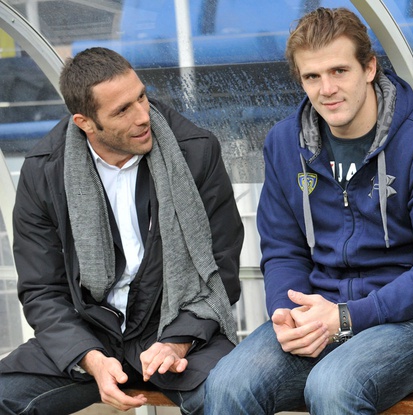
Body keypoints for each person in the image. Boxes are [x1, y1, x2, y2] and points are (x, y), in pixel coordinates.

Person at [204, 7, 413, 414]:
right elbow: (282, 248)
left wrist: (346, 318)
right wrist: (286, 314)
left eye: (339, 71)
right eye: (312, 76)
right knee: (227, 384)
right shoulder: (284, 143)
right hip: (317, 308)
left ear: (369, 68)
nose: (327, 88)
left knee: (333, 386)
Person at [0, 47, 244, 415]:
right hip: (91, 334)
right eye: (122, 110)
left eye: (141, 97)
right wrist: (89, 358)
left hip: (180, 325)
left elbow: (222, 268)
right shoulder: (44, 172)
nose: (144, 116)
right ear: (85, 122)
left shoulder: (195, 151)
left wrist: (177, 342)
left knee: (232, 394)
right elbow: (41, 290)